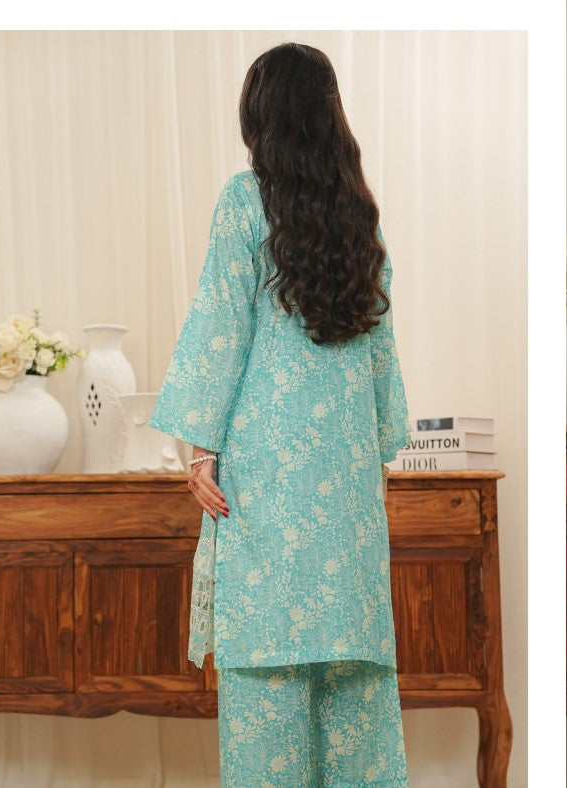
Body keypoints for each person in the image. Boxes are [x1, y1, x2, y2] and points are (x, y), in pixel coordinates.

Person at [149, 41, 411, 787]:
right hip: (346, 481)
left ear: (258, 112)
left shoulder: (244, 200)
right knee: (352, 683)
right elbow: (380, 350)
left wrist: (199, 449)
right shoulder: (360, 216)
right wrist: (376, 453)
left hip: (265, 476)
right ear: (330, 114)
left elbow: (220, 324)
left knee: (268, 671)